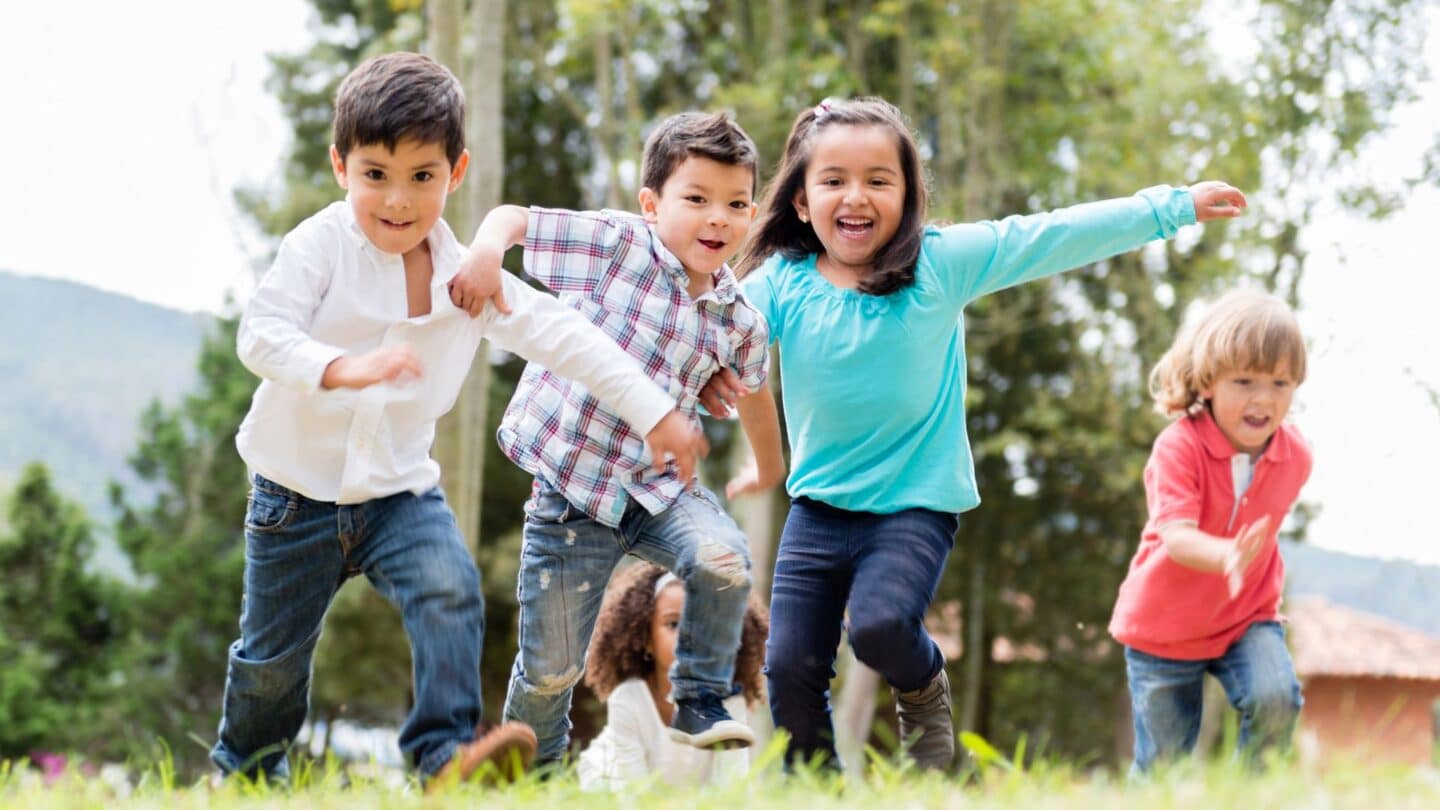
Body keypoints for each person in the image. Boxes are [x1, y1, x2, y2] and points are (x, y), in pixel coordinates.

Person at [703, 96, 1248, 771]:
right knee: (788, 670)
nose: (857, 196)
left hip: (914, 506)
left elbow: (1052, 234)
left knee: (879, 628)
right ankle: (820, 789)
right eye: (834, 180)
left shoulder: (940, 263)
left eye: (879, 180)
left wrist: (1173, 206)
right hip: (817, 510)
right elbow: (713, 336)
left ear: (909, 196)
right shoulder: (780, 284)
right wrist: (707, 402)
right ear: (804, 203)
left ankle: (924, 682)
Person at [213, 52, 704, 790]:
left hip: (397, 494)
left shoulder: (466, 279)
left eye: (422, 177)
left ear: (457, 171)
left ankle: (443, 759)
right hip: (293, 497)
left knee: (450, 588)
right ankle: (243, 773)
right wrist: (341, 368)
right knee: (271, 660)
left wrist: (657, 411)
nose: (398, 200)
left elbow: (568, 338)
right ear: (341, 166)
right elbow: (262, 333)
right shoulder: (319, 246)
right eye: (375, 174)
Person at [445, 111, 784, 766]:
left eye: (736, 203)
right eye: (697, 199)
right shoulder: (616, 245)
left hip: (659, 492)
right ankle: (528, 780)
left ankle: (699, 694)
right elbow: (514, 219)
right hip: (572, 498)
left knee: (724, 559)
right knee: (551, 670)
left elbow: (755, 395)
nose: (718, 218)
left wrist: (768, 468)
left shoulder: (738, 317)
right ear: (652, 204)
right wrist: (486, 255)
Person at [1108, 289, 1309, 774]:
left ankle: (1252, 799)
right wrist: (1225, 555)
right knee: (1163, 766)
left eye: (1280, 383)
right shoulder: (1179, 448)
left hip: (1246, 616)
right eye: (1245, 381)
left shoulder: (1295, 456)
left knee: (1276, 698)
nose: (1264, 399)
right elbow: (1176, 536)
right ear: (1209, 382)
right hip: (1164, 629)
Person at [576, 563, 769, 790]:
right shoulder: (629, 698)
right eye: (674, 624)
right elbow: (632, 790)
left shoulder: (728, 702)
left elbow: (733, 787)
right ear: (646, 638)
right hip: (615, 779)